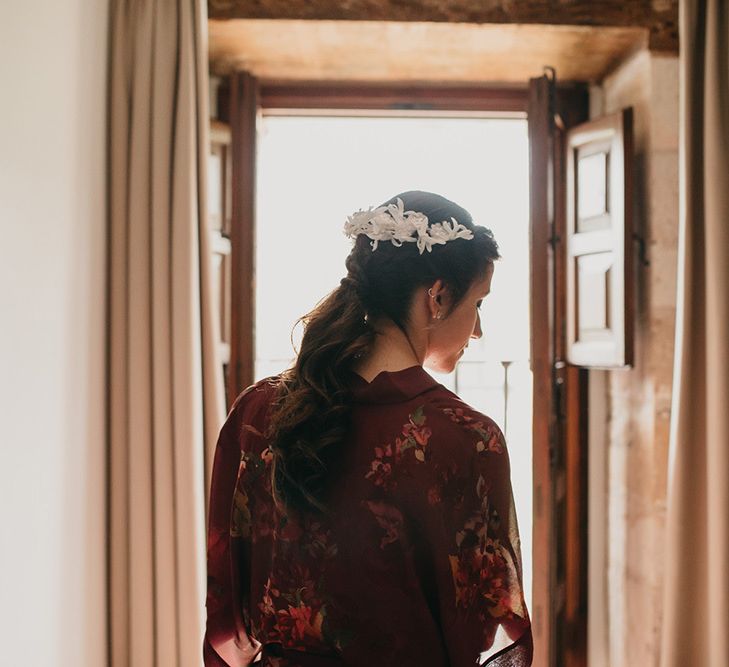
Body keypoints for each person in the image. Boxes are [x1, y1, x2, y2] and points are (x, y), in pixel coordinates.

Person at [204, 191, 532, 666]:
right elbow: (481, 623)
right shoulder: (465, 438)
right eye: (478, 303)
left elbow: (227, 591)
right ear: (437, 296)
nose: (478, 330)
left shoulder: (258, 412)